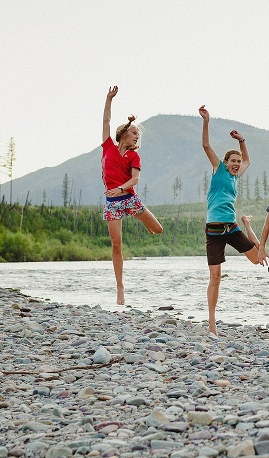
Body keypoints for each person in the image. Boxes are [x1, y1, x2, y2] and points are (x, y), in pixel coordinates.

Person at [199, 105, 267, 337]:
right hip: (214, 231)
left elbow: (248, 160)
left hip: (232, 227)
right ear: (226, 162)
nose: (237, 163)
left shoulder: (236, 177)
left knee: (258, 259)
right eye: (233, 161)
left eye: (238, 161)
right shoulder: (219, 171)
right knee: (215, 276)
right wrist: (206, 121)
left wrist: (242, 140)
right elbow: (206, 146)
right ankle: (212, 323)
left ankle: (247, 224)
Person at [101, 85, 163, 306]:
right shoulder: (108, 147)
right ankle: (120, 288)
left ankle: (144, 222)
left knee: (158, 229)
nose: (137, 138)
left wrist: (120, 189)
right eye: (134, 133)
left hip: (128, 197)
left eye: (138, 135)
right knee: (116, 245)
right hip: (112, 203)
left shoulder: (134, 157)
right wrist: (109, 99)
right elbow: (106, 121)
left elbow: (135, 180)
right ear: (123, 134)